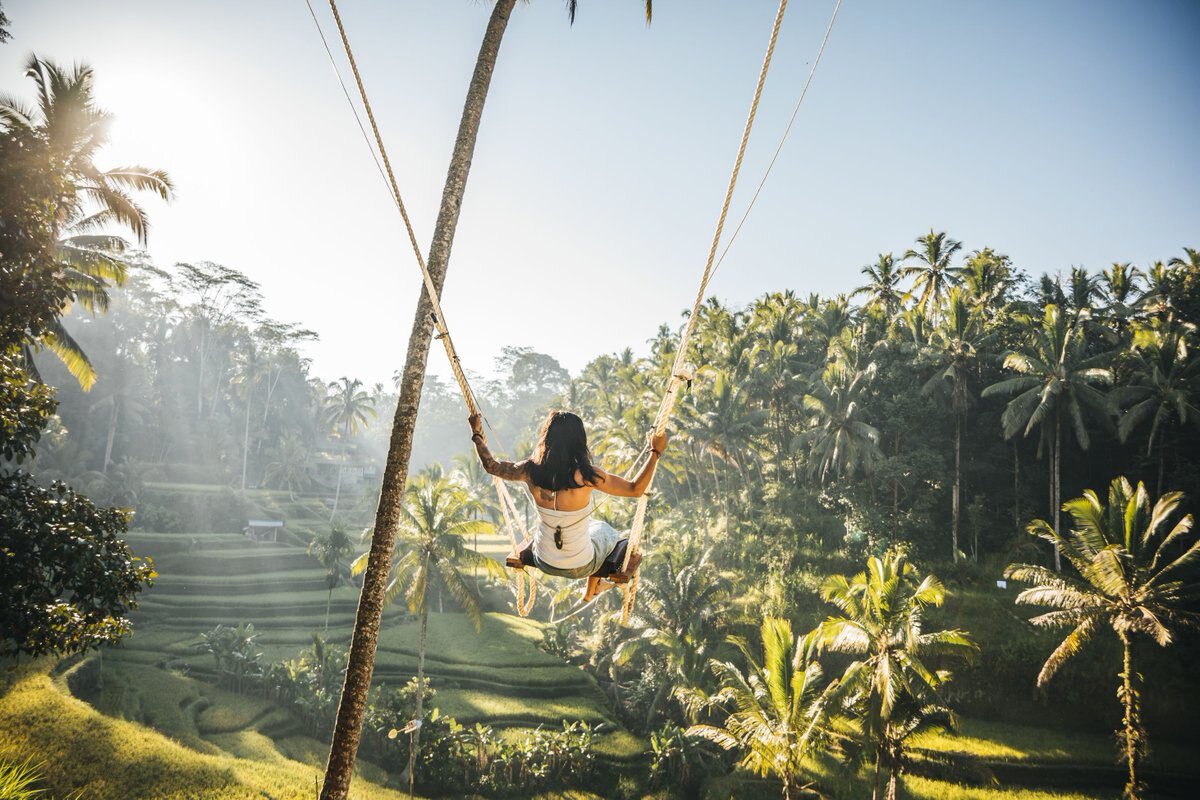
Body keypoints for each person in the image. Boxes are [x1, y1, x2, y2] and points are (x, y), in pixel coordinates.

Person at [469, 410, 667, 602]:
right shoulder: (588, 476)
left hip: (543, 561)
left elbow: (491, 466)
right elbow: (635, 489)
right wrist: (655, 452)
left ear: (547, 438)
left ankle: (593, 589)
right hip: (582, 565)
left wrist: (477, 434)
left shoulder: (529, 470)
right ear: (579, 441)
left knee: (590, 530)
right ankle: (594, 586)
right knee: (605, 530)